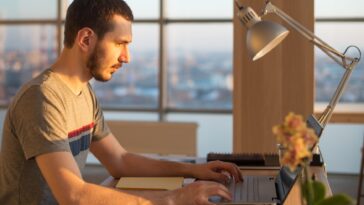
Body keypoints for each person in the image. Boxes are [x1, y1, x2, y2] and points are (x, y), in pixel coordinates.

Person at [0, 0, 243, 204]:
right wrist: (174, 198)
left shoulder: (84, 93)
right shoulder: (41, 98)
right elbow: (73, 195)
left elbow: (120, 161)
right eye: (120, 43)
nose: (126, 57)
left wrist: (193, 170)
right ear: (85, 39)